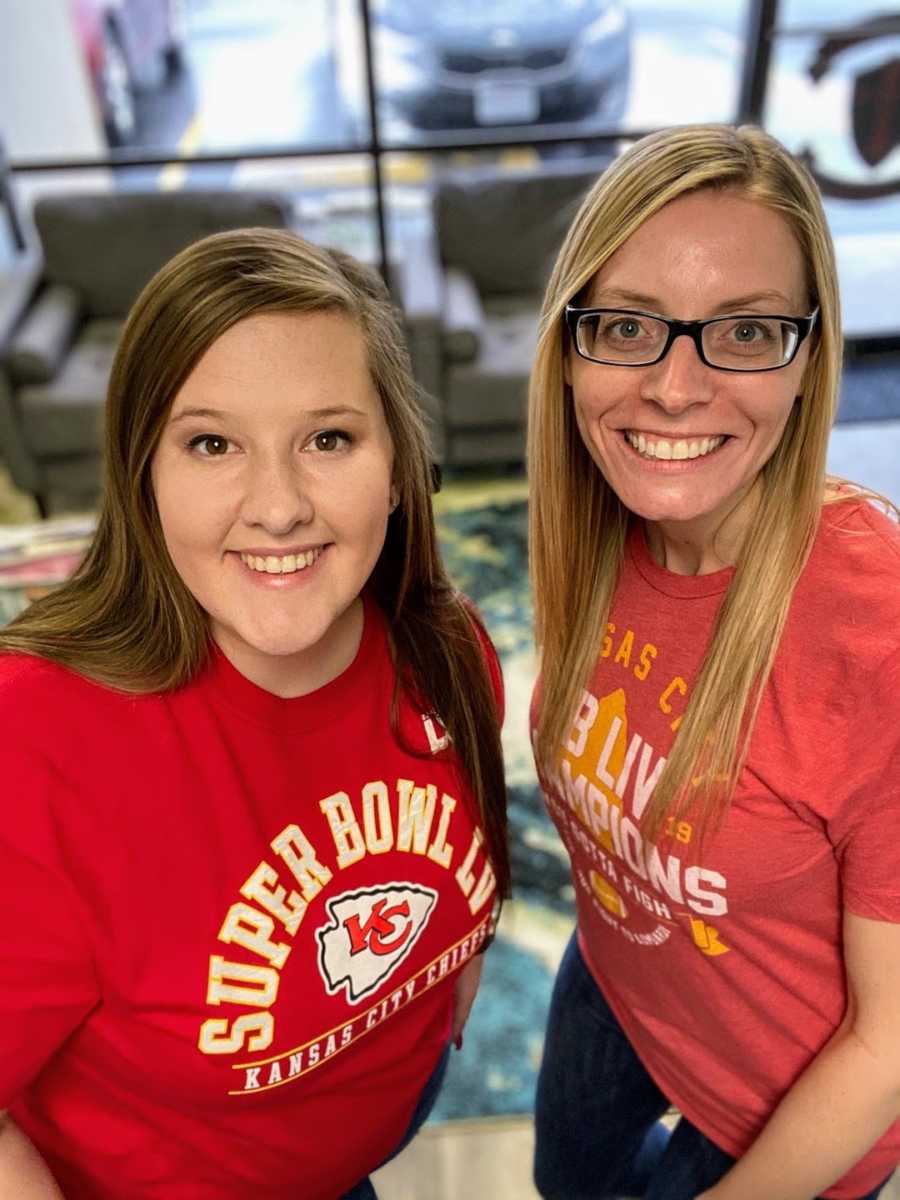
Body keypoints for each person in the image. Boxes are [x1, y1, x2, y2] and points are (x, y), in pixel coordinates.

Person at [0, 227, 508, 1200]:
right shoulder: (34, 747)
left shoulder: (445, 647)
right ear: (143, 478)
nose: (278, 506)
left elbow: (460, 884)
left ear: (397, 466)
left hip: (365, 1138)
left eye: (328, 438)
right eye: (211, 443)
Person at [527, 122, 900, 1200]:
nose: (676, 390)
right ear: (572, 344)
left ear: (808, 358)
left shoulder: (875, 647)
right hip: (614, 983)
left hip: (782, 1118)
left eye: (744, 333)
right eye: (630, 325)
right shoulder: (600, 524)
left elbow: (888, 1049)